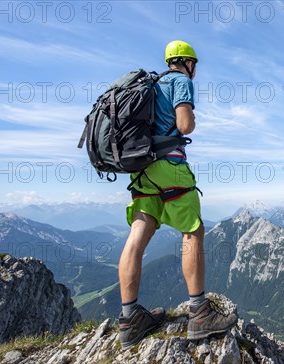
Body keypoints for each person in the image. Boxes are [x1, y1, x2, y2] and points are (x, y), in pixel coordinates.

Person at [117, 40, 238, 350]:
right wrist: (190, 119)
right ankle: (199, 314)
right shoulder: (180, 81)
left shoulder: (150, 85)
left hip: (141, 169)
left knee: (139, 233)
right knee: (193, 230)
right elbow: (185, 125)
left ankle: (129, 319)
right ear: (187, 62)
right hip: (169, 165)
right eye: (194, 65)